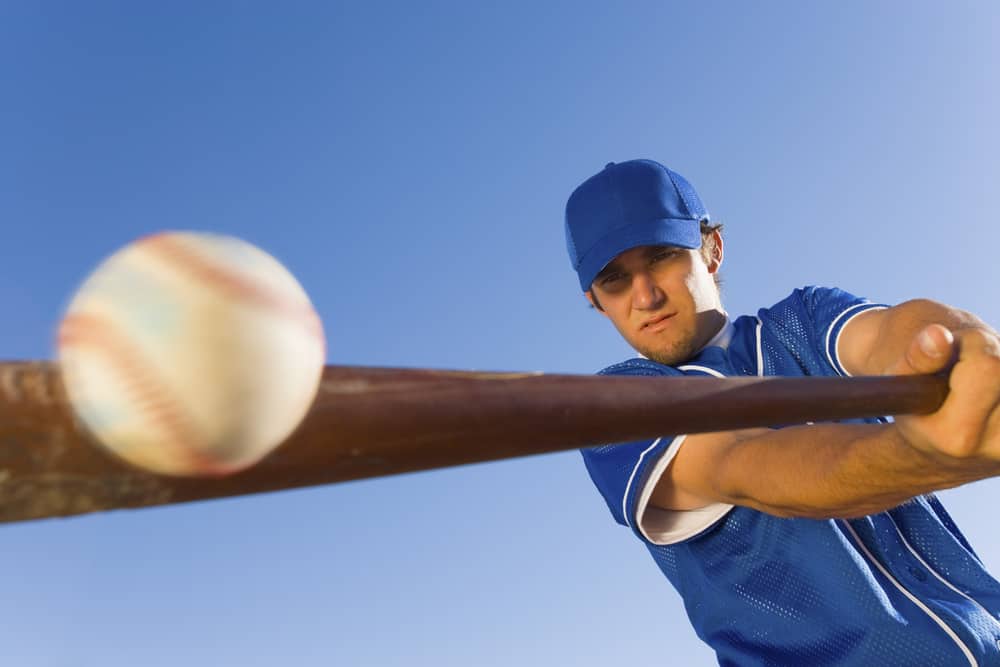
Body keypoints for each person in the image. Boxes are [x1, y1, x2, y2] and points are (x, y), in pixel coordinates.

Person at [564, 159, 1000, 666]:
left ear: (711, 251)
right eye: (615, 280)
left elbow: (893, 332)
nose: (645, 296)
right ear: (597, 302)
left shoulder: (804, 320)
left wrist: (964, 350)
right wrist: (925, 455)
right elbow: (751, 466)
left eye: (661, 255)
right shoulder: (614, 409)